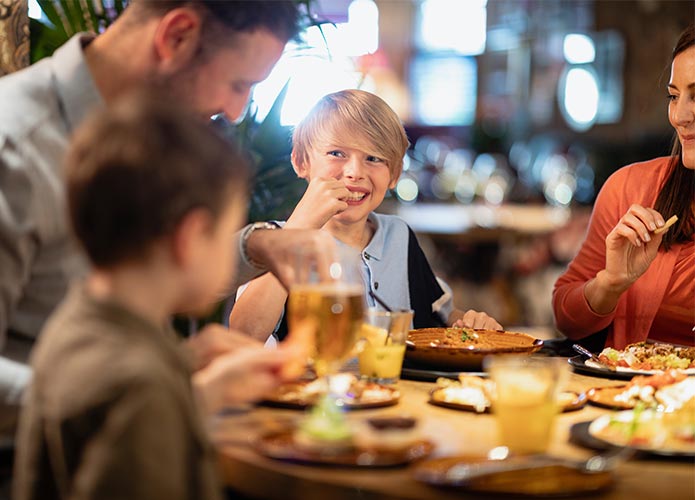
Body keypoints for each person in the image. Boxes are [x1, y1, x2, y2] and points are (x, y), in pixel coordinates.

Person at [0, 0, 333, 435]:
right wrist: (162, 395)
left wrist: (257, 245)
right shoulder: (16, 147)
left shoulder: (139, 131)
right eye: (237, 83)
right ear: (176, 36)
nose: (235, 112)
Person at [12, 92, 303, 500]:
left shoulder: (82, 320)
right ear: (191, 238)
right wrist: (167, 388)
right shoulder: (141, 387)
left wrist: (191, 382)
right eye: (226, 231)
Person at [229, 89, 502, 343]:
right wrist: (297, 230)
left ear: (394, 174)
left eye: (373, 158)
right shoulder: (273, 241)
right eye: (336, 153)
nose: (354, 173)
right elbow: (245, 333)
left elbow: (441, 314)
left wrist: (468, 322)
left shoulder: (399, 237)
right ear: (302, 162)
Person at [552, 23, 695, 350]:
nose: (680, 115)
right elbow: (566, 319)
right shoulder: (629, 188)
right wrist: (611, 284)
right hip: (635, 396)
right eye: (674, 96)